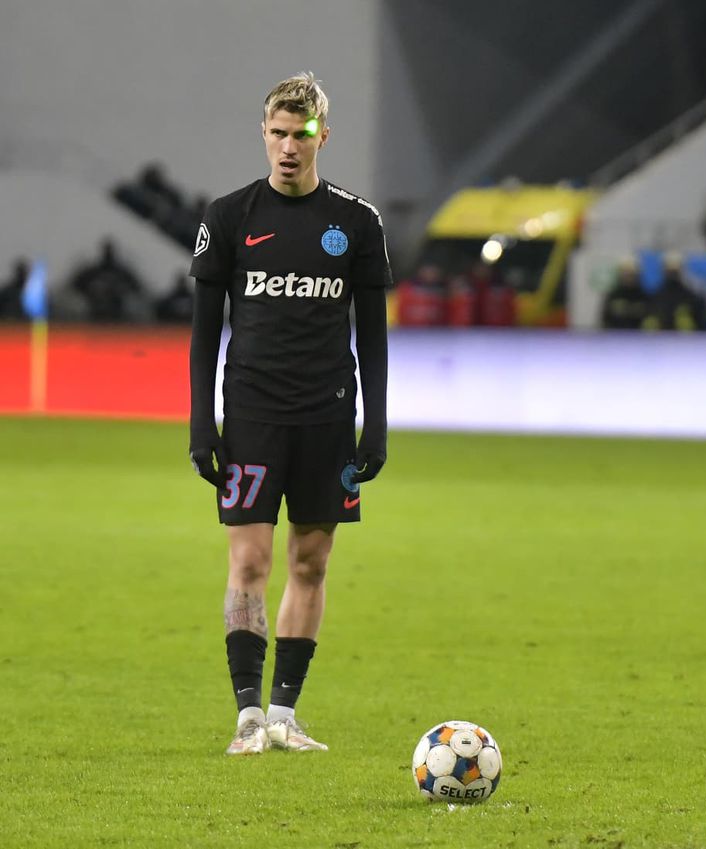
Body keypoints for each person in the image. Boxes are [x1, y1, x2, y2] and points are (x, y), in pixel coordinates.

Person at [188, 72, 391, 755]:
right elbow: (203, 333)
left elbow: (374, 335)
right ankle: (247, 714)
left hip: (329, 417)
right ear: (264, 134)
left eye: (301, 134)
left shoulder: (357, 224)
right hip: (250, 415)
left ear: (321, 137)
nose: (287, 147)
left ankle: (284, 713)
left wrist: (378, 424)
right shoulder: (230, 218)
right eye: (277, 133)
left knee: (311, 560)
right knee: (248, 560)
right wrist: (200, 423)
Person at [645, 252, 706, 332]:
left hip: (686, 343)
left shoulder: (693, 299)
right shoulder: (654, 299)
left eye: (675, 271)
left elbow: (704, 328)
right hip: (659, 342)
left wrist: (693, 327)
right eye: (670, 271)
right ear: (663, 271)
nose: (672, 275)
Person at [600, 255, 650, 330]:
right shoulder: (613, 295)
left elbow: (649, 318)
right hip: (615, 337)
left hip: (638, 338)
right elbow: (605, 318)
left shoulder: (643, 296)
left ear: (637, 275)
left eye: (631, 274)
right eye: (626, 274)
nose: (629, 277)